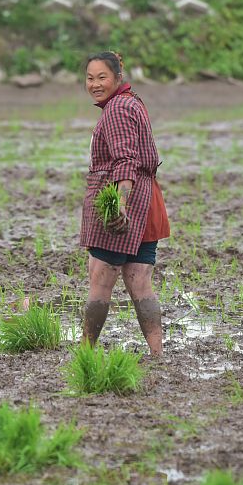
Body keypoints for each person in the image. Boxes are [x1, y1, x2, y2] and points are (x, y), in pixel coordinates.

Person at [81, 51, 170, 359]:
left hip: (125, 205)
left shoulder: (117, 109)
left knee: (100, 279)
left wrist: (119, 203)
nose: (95, 84)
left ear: (118, 78)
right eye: (90, 78)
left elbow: (124, 160)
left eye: (102, 77)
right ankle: (156, 354)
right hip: (148, 204)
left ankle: (86, 353)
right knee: (141, 284)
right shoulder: (131, 102)